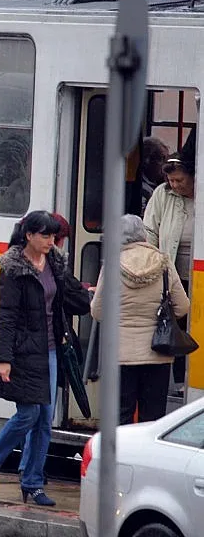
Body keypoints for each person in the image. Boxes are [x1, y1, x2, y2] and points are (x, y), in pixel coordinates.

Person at [0, 211, 90, 507]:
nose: (51, 241)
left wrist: (89, 294)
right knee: (28, 414)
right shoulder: (13, 269)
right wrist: (3, 359)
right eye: (45, 236)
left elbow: (72, 298)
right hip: (22, 353)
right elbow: (6, 317)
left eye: (54, 236)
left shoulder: (55, 263)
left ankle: (33, 483)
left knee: (44, 420)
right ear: (28, 235)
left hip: (51, 350)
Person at [91, 215, 189, 424]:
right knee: (152, 418)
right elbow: (183, 306)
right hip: (158, 353)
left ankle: (119, 456)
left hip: (121, 354)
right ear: (143, 235)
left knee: (121, 415)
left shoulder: (112, 265)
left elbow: (98, 311)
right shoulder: (164, 262)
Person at [143, 153, 194, 392]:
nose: (175, 185)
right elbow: (150, 230)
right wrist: (153, 262)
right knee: (176, 324)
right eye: (171, 180)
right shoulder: (162, 194)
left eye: (180, 180)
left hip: (197, 271)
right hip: (171, 271)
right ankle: (181, 381)